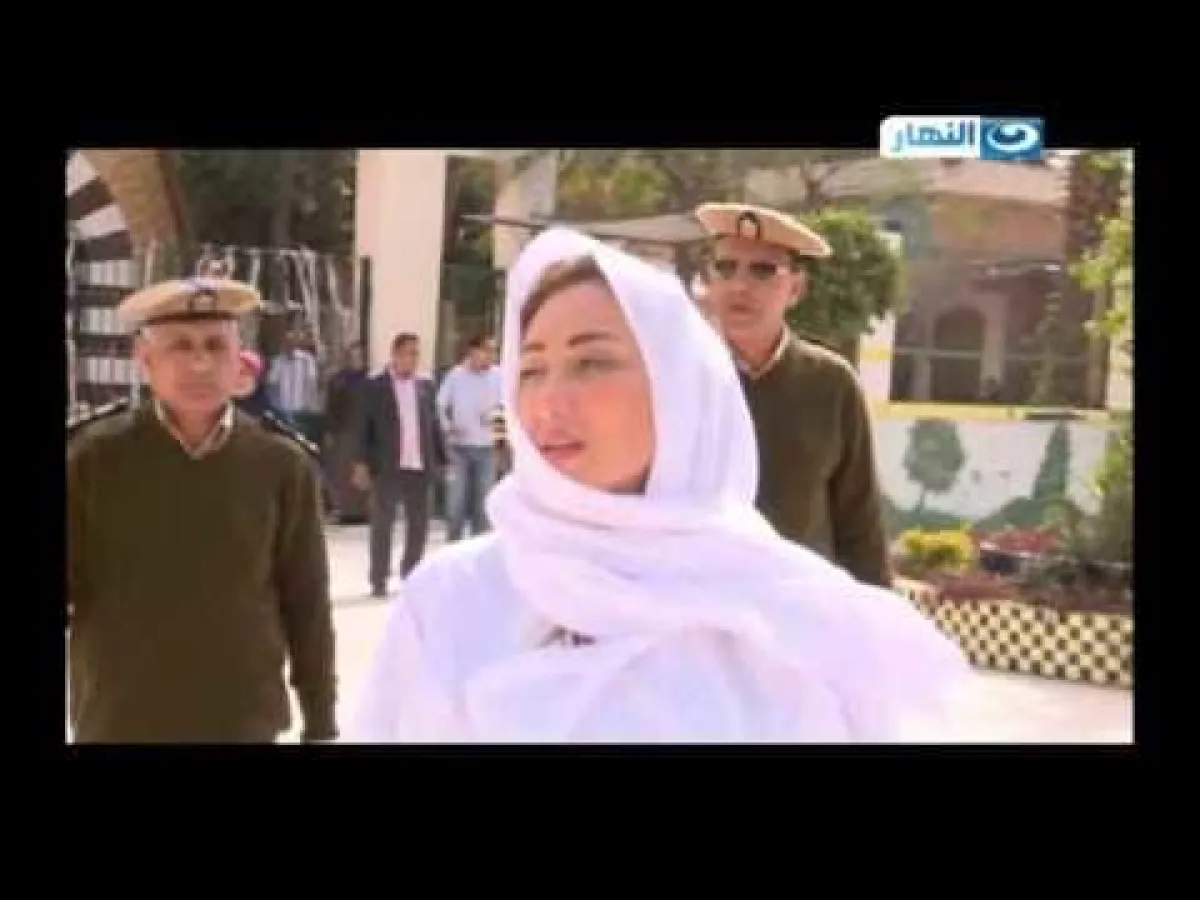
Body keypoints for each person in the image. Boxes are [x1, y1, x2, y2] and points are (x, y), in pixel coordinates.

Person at [346, 229, 966, 744]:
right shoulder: (453, 600)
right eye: (531, 369)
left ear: (678, 390)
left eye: (591, 362)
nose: (548, 401)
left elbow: (857, 526)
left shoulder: (791, 626)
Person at [66, 276, 337, 743]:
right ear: (146, 360)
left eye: (215, 346)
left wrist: (321, 718)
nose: (200, 363)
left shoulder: (281, 465)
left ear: (239, 362)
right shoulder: (94, 459)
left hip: (240, 719)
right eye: (181, 346)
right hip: (121, 716)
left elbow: (306, 601)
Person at [694, 202, 892, 588]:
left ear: (796, 289)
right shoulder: (679, 376)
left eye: (763, 271)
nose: (740, 285)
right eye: (726, 268)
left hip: (801, 607)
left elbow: (860, 525)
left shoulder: (831, 384)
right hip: (701, 604)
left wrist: (878, 612)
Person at [353, 333, 446, 596]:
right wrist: (360, 462)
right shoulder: (375, 387)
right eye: (409, 353)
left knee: (419, 524)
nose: (414, 359)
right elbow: (362, 426)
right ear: (395, 354)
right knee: (383, 524)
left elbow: (434, 426)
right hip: (387, 464)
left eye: (417, 353)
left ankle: (412, 574)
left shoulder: (425, 386)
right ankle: (379, 577)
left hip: (420, 463)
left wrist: (442, 459)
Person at [436, 334, 502, 541]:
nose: (491, 356)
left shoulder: (498, 376)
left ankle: (478, 550)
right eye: (487, 350)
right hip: (458, 450)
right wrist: (447, 428)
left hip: (487, 449)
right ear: (473, 351)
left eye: (494, 351)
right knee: (455, 505)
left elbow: (506, 408)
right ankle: (453, 547)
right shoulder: (456, 376)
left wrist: (498, 430)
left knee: (484, 505)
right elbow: (439, 405)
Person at [325, 342, 371, 525]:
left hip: (364, 430)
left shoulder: (370, 380)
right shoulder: (338, 381)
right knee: (343, 471)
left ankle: (363, 510)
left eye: (359, 356)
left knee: (363, 469)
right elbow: (331, 407)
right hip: (343, 430)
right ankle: (347, 511)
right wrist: (330, 430)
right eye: (352, 356)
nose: (355, 359)